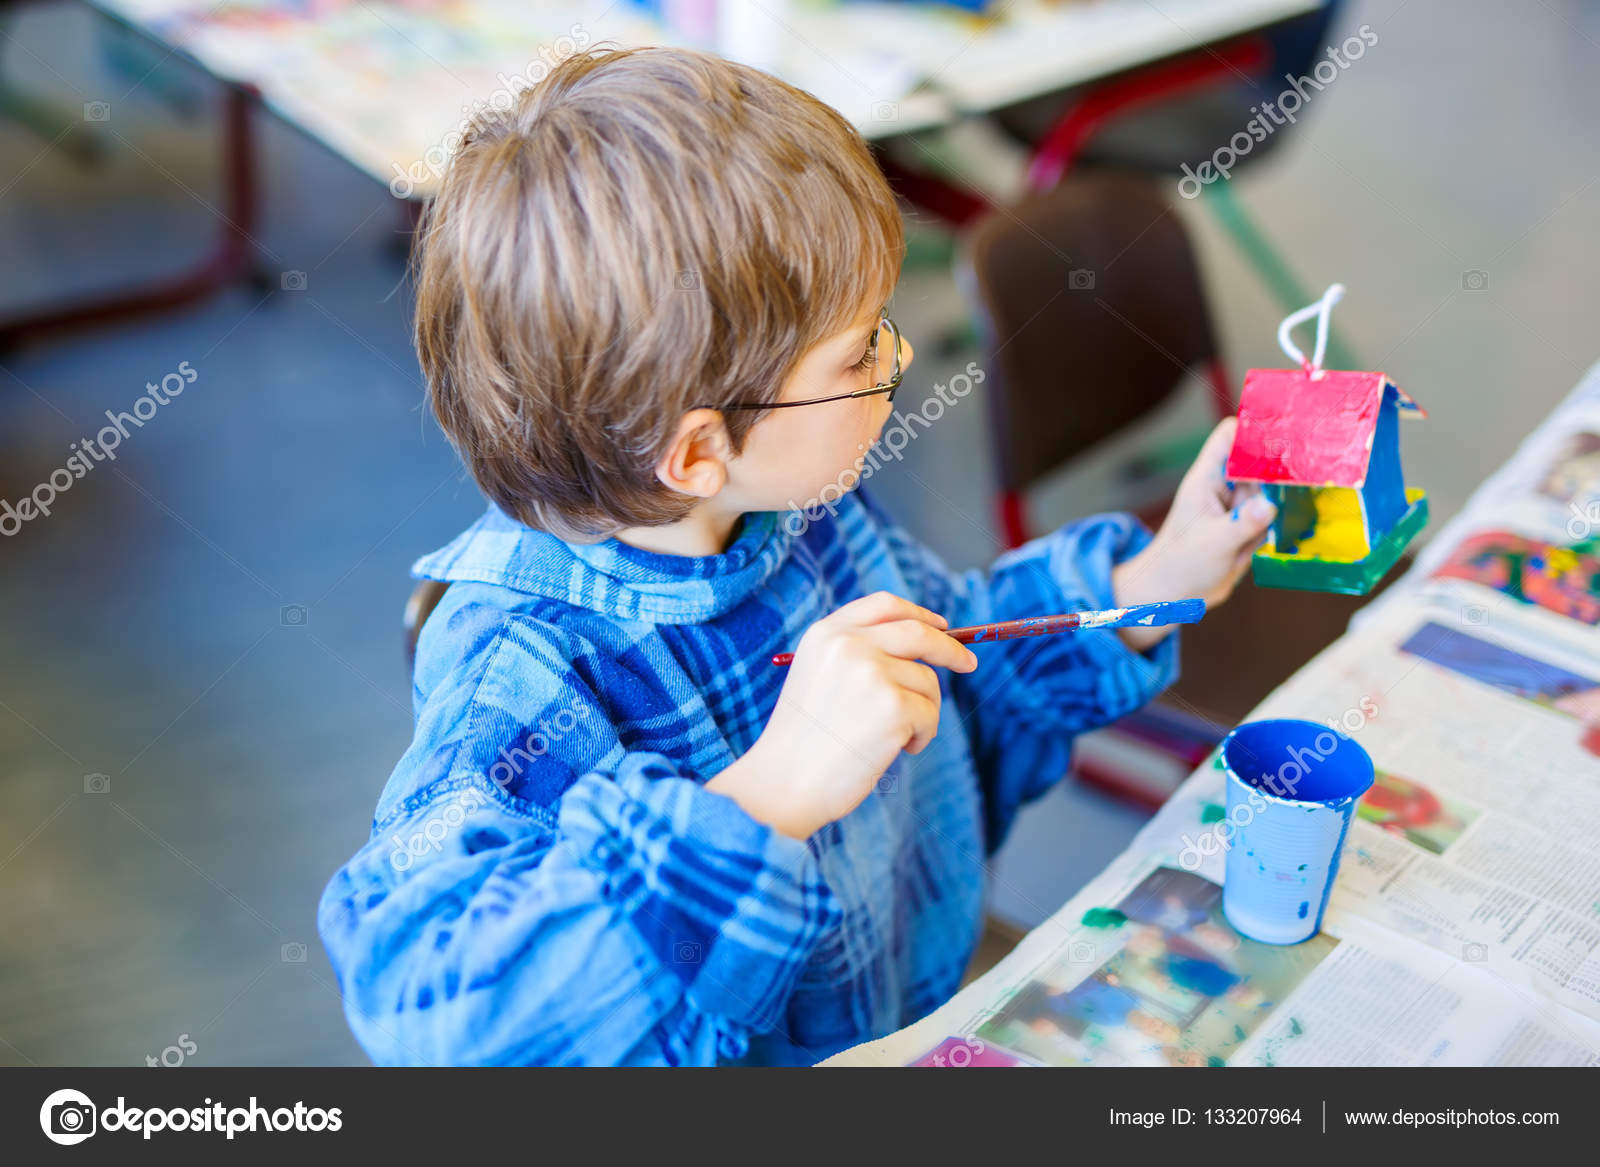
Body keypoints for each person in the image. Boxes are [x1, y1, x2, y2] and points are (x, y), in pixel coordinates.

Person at [318, 46, 1277, 1066]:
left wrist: (1149, 583)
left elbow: (953, 665)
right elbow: (432, 1019)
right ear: (695, 451)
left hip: (910, 1010)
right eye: (860, 351)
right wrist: (768, 793)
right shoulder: (521, 670)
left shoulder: (796, 508)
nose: (901, 360)